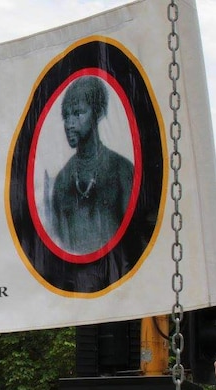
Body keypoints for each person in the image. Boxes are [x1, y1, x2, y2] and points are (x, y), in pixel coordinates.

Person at [48, 75, 134, 256]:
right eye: (66, 116)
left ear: (98, 113)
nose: (69, 124)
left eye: (78, 113)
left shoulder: (122, 171)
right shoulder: (62, 181)